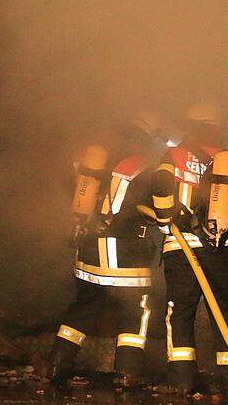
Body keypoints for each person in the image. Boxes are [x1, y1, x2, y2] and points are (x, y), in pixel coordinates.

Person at [150, 102, 228, 394]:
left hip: (182, 250)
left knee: (181, 313)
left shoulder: (174, 156)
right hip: (223, 252)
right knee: (226, 314)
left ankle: (182, 380)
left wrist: (165, 223)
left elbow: (160, 189)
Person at [47, 112, 166, 386]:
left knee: (85, 305)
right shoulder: (142, 167)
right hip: (125, 253)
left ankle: (56, 365)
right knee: (136, 309)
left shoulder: (93, 161)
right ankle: (127, 372)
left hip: (88, 248)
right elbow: (159, 209)